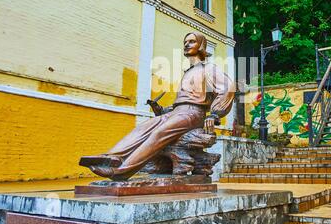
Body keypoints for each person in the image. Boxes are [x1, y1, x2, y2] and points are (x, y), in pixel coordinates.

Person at [79, 32, 235, 180]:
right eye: (185, 42)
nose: (187, 45)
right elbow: (184, 101)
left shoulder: (208, 69)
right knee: (143, 127)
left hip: (193, 114)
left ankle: (122, 170)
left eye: (192, 41)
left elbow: (229, 88)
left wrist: (215, 114)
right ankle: (112, 158)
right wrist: (161, 110)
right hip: (178, 113)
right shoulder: (189, 72)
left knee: (159, 133)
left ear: (201, 45)